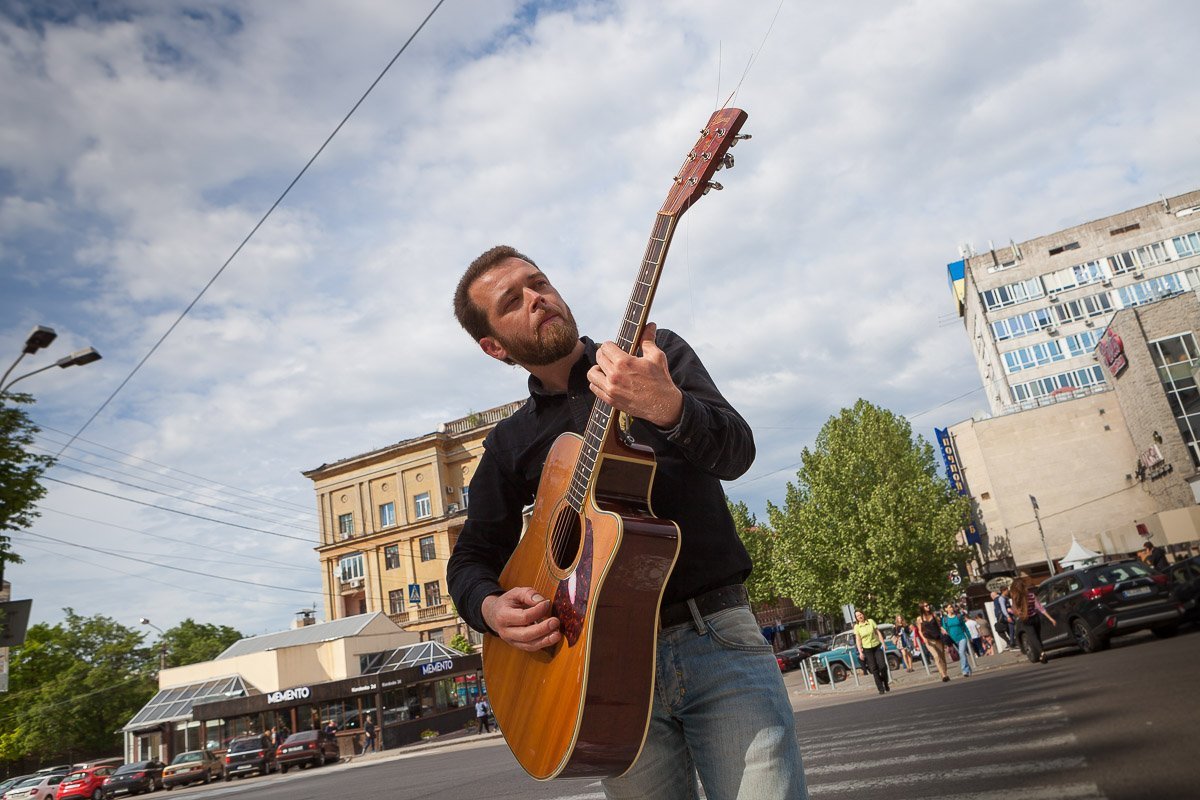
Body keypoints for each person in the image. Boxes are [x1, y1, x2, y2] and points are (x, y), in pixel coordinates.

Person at [446, 246, 807, 800]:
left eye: (539, 282)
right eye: (512, 300)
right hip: (595, 673)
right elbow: (470, 558)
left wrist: (669, 406)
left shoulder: (651, 357)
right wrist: (491, 610)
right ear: (494, 346)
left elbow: (737, 453)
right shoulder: (510, 442)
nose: (537, 298)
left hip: (716, 640)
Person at [1010, 575, 1057, 663]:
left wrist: (1017, 613)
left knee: (1033, 638)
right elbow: (1040, 608)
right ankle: (1041, 655)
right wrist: (1051, 619)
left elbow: (1015, 611)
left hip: (1026, 620)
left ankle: (1042, 653)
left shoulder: (1016, 598)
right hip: (1035, 618)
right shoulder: (1031, 595)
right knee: (1038, 636)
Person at [853, 610, 890, 694]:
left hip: (877, 646)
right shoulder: (857, 627)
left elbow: (878, 633)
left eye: (860, 614)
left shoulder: (870, 621)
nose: (860, 616)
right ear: (856, 618)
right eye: (858, 616)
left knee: (883, 666)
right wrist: (860, 652)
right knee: (874, 669)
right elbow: (858, 640)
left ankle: (885, 682)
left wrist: (883, 644)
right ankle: (880, 688)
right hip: (867, 649)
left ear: (863, 614)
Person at [915, 602, 949, 682]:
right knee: (936, 656)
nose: (928, 607)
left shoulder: (933, 615)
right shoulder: (919, 618)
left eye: (928, 605)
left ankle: (945, 672)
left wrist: (943, 630)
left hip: (937, 638)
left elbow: (939, 625)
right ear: (922, 608)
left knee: (942, 657)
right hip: (929, 640)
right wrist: (924, 638)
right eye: (926, 606)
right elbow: (919, 630)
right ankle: (943, 675)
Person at [941, 604, 973, 677]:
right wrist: (944, 632)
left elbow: (964, 627)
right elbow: (944, 629)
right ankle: (968, 669)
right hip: (952, 639)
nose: (952, 608)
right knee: (961, 655)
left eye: (952, 607)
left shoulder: (958, 616)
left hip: (962, 637)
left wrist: (969, 636)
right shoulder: (945, 619)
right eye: (949, 607)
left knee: (961, 652)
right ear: (946, 609)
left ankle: (964, 670)